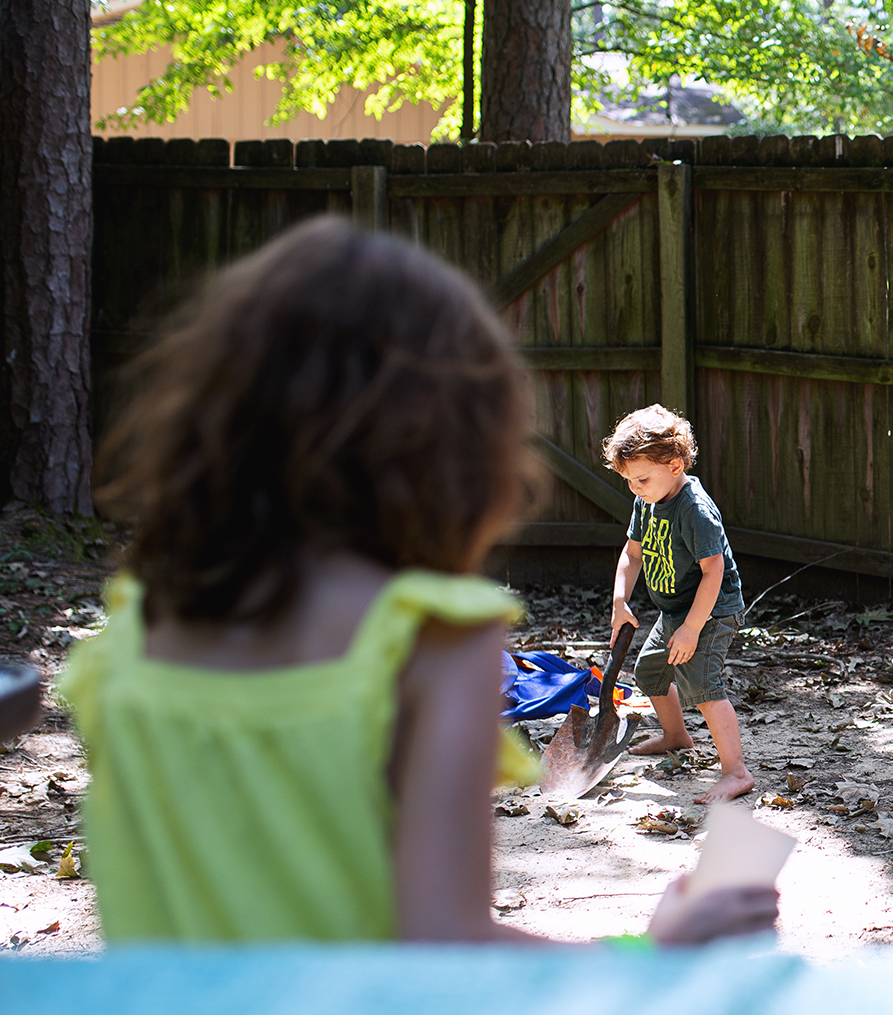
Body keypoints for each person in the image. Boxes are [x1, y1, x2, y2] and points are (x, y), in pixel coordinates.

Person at [58, 218, 775, 947]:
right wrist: (650, 956)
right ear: (458, 448)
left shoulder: (124, 639)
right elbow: (443, 951)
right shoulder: (430, 641)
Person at [604, 407, 755, 805]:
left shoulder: (694, 510)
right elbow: (632, 554)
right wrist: (620, 601)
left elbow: (713, 571)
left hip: (712, 611)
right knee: (650, 671)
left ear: (674, 464)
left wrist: (691, 628)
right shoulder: (647, 500)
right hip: (675, 611)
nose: (635, 488)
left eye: (641, 479)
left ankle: (736, 772)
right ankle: (676, 737)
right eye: (629, 481)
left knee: (703, 687)